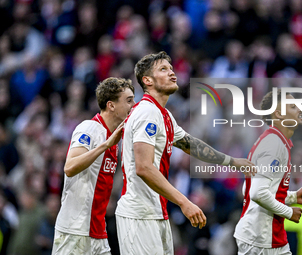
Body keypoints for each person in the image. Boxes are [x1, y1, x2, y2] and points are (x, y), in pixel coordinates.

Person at [115, 51, 255, 254]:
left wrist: (232, 162)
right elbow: (143, 167)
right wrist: (184, 202)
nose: (172, 73)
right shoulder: (147, 113)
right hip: (139, 213)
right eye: (163, 69)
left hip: (153, 211)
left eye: (171, 68)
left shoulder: (164, 115)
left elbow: (192, 145)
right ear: (148, 80)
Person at [52, 77, 135, 255]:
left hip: (98, 233)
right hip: (75, 232)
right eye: (128, 100)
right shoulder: (89, 128)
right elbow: (70, 166)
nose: (133, 105)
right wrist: (104, 145)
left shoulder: (114, 140)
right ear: (111, 105)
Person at [234, 89, 302, 255]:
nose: (300, 109)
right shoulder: (274, 145)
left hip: (268, 238)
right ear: (278, 114)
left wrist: (292, 197)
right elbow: (257, 192)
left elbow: (249, 189)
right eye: (293, 106)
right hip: (259, 240)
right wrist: (289, 211)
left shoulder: (274, 141)